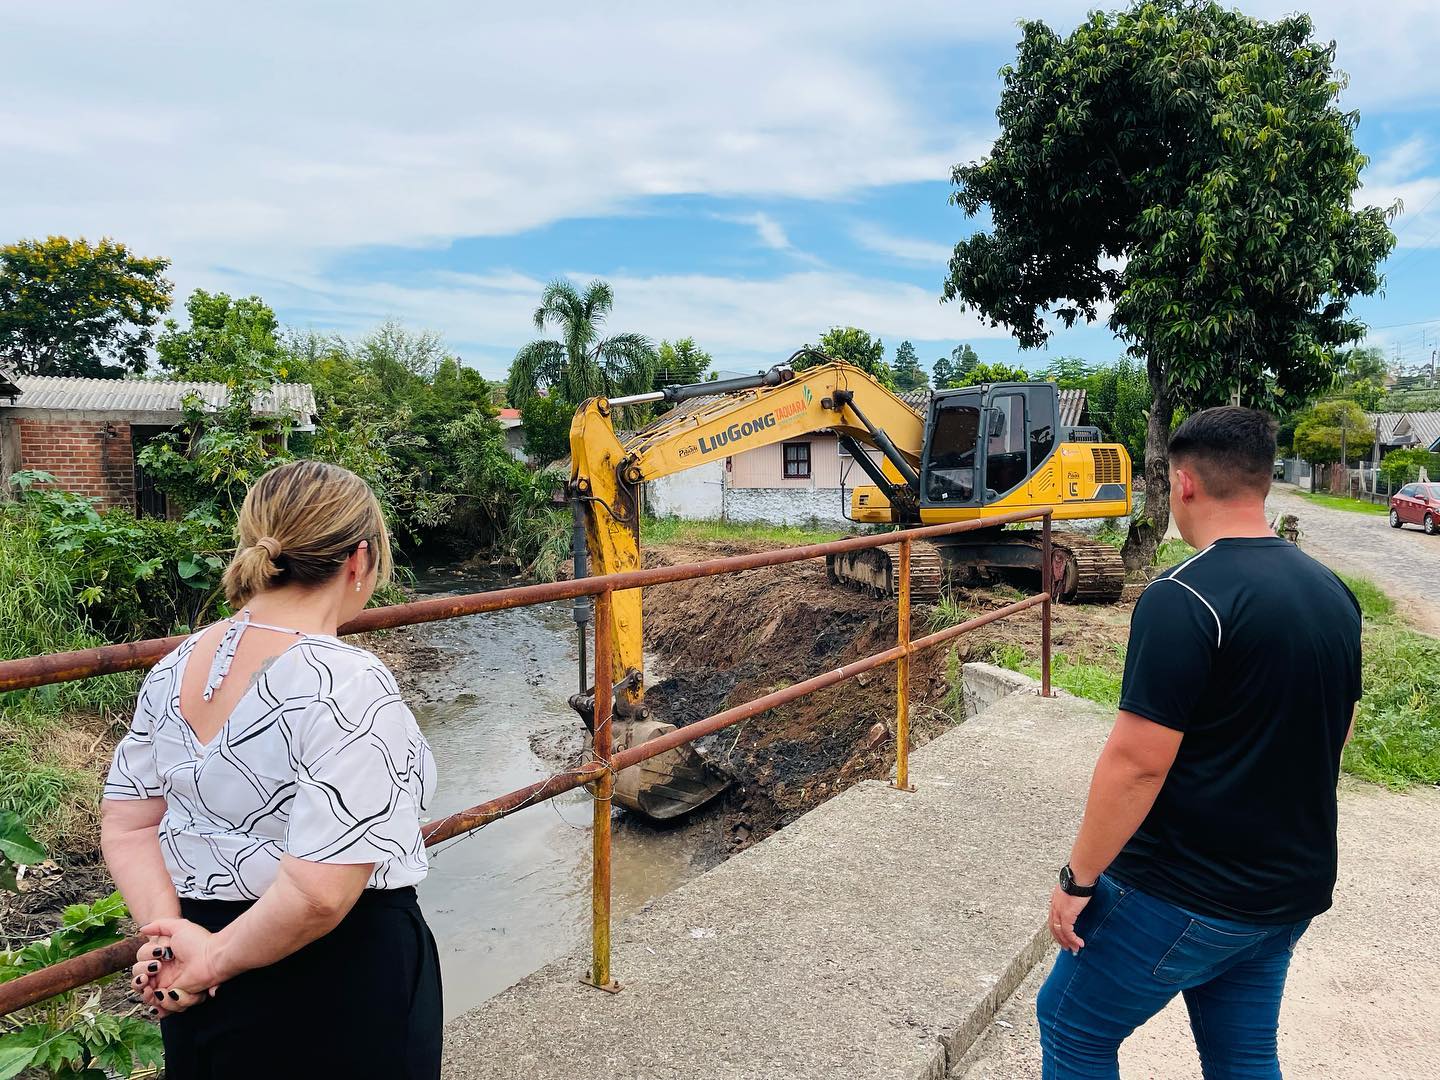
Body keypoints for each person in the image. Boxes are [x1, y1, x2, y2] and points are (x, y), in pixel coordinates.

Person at [1037, 408, 1362, 1079]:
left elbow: (1136, 764)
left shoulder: (1184, 597)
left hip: (1185, 894)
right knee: (1242, 1055)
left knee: (1072, 1027)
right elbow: (1337, 733)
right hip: (1286, 891)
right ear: (1266, 482)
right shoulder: (1334, 594)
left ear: (1182, 483)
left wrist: (1079, 880)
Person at [100, 460, 440, 1079]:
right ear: (358, 560)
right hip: (332, 975)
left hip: (194, 955)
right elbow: (318, 894)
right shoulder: (348, 682)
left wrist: (170, 934)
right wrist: (211, 961)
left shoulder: (173, 667)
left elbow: (127, 823)